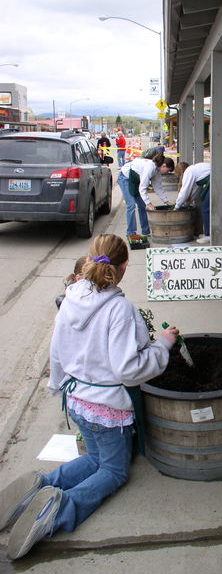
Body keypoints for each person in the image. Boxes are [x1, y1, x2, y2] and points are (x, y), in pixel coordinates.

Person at [0, 234, 179, 560]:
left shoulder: (72, 296)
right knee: (114, 471)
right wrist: (163, 345)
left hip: (76, 400)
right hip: (107, 408)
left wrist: (57, 387)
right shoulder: (119, 310)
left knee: (98, 459)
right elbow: (128, 370)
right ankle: (57, 510)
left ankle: (42, 485)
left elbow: (56, 351)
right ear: (124, 266)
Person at [174, 162, 222, 243]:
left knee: (205, 208)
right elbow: (195, 191)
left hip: (220, 179)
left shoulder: (189, 172)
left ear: (181, 174)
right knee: (209, 206)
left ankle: (208, 235)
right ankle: (212, 232)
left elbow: (184, 192)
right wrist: (186, 204)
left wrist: (177, 206)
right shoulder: (195, 171)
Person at [117, 159, 150, 238]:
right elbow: (143, 188)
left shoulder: (153, 169)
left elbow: (156, 185)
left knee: (142, 205)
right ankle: (131, 233)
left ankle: (145, 231)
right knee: (131, 205)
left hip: (135, 180)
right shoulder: (148, 167)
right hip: (125, 178)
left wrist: (165, 200)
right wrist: (149, 202)